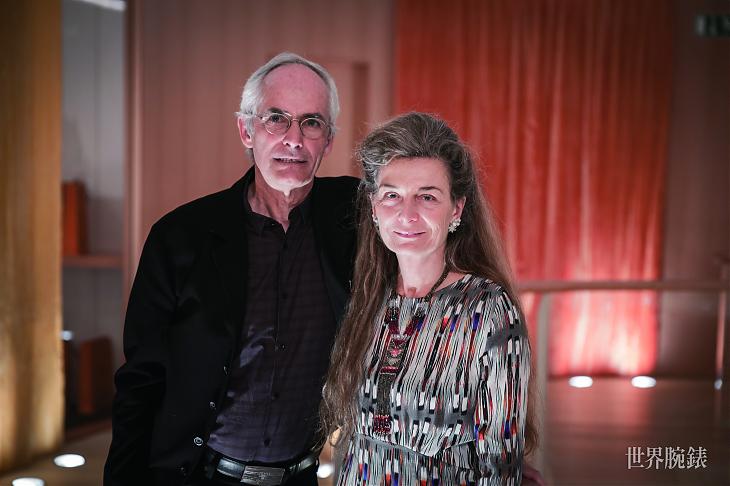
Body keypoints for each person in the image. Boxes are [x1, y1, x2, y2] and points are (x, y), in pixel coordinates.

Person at [104, 52, 359, 485]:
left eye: (312, 123)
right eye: (275, 119)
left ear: (329, 140)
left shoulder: (355, 220)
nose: (294, 139)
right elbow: (141, 381)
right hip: (199, 476)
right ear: (246, 130)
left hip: (301, 477)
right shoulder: (180, 236)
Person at [321, 112, 538, 485]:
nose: (407, 214)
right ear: (374, 207)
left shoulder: (487, 309)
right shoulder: (366, 297)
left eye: (427, 196)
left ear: (457, 208)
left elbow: (499, 464)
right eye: (392, 195)